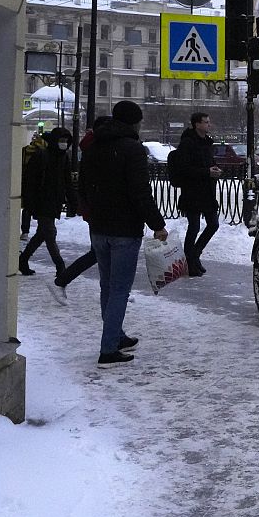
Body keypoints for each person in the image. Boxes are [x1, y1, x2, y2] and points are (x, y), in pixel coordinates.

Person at [78, 100, 168, 369]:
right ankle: (108, 349)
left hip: (99, 227)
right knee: (119, 289)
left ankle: (115, 334)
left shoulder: (92, 146)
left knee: (107, 284)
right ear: (134, 122)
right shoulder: (133, 149)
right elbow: (140, 192)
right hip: (124, 229)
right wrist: (157, 224)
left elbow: (82, 184)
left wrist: (91, 213)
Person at [54, 116, 110, 297]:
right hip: (97, 208)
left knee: (100, 252)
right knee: (98, 252)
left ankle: (110, 287)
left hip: (92, 207)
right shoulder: (98, 148)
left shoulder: (89, 147)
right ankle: (62, 280)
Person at [19, 127, 75, 290]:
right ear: (54, 141)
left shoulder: (64, 157)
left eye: (66, 141)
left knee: (42, 234)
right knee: (50, 233)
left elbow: (67, 181)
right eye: (61, 141)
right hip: (41, 202)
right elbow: (30, 181)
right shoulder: (41, 155)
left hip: (53, 202)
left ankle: (23, 260)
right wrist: (29, 203)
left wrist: (73, 201)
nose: (63, 144)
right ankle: (60, 266)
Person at [176, 112, 222, 277]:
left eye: (209, 122)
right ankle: (190, 261)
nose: (208, 124)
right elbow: (185, 169)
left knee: (213, 224)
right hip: (192, 191)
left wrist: (215, 169)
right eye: (205, 122)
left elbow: (210, 162)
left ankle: (195, 253)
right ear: (196, 124)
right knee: (193, 226)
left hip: (207, 191)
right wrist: (206, 172)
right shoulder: (187, 143)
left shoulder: (207, 142)